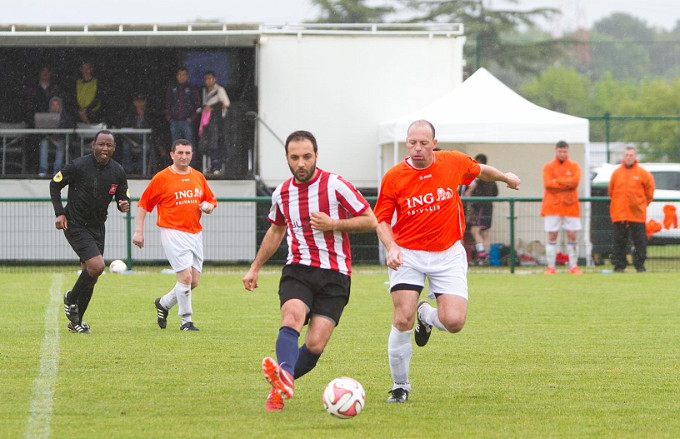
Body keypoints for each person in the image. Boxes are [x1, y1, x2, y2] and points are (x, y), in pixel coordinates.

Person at [374, 120, 520, 403]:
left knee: (454, 322)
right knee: (402, 316)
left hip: (448, 253)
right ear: (407, 142)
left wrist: (505, 177)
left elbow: (481, 171)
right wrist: (391, 246)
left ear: (434, 143)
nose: (417, 148)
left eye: (423, 143)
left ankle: (425, 315)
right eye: (412, 142)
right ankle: (400, 385)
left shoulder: (452, 162)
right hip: (409, 254)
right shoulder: (394, 176)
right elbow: (380, 219)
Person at [242, 130, 377, 411]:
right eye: (294, 158)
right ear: (287, 159)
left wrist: (334, 224)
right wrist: (255, 267)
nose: (301, 163)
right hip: (298, 269)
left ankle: (281, 384)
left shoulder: (335, 185)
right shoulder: (282, 193)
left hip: (335, 275)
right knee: (291, 316)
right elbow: (276, 229)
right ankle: (286, 378)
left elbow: (370, 220)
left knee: (315, 344)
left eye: (306, 156)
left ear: (316, 155)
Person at [50, 130, 130, 333]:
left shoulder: (118, 171)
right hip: (75, 224)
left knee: (91, 277)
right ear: (93, 145)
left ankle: (76, 322)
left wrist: (123, 204)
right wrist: (59, 213)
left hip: (97, 226)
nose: (105, 148)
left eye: (109, 145)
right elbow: (54, 184)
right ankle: (70, 297)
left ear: (114, 148)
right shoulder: (78, 166)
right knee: (97, 266)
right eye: (101, 144)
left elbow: (122, 197)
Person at [132, 139, 216, 331]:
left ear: (192, 154)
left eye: (187, 153)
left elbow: (210, 200)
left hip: (195, 233)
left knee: (193, 281)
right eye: (180, 152)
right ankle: (186, 321)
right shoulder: (162, 178)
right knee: (185, 277)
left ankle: (164, 303)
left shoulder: (198, 177)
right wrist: (139, 231)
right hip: (173, 232)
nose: (184, 156)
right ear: (172, 155)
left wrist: (209, 207)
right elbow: (144, 205)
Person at [609, 145, 655, 273]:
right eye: (626, 155)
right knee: (619, 241)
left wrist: (640, 205)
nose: (628, 157)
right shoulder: (616, 174)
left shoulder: (643, 174)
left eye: (631, 155)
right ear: (623, 157)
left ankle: (640, 266)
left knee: (640, 241)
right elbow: (611, 191)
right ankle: (619, 266)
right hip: (619, 214)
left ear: (635, 157)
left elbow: (649, 193)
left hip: (637, 214)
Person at [541, 140, 583, 274]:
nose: (562, 154)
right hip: (552, 206)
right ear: (556, 151)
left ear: (568, 151)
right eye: (560, 151)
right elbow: (548, 184)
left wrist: (557, 181)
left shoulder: (574, 166)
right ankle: (551, 267)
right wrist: (566, 183)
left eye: (565, 151)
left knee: (572, 235)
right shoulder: (548, 166)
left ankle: (573, 266)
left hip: (570, 206)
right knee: (552, 235)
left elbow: (575, 182)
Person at [463, 153, 498, 264]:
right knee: (485, 233)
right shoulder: (492, 177)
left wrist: (470, 191)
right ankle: (487, 257)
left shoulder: (479, 179)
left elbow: (467, 194)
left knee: (475, 231)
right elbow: (496, 193)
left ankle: (482, 255)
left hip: (481, 208)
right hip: (489, 207)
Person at [198, 71, 230, 174]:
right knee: (209, 144)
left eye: (210, 78)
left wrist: (214, 109)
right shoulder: (205, 92)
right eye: (206, 79)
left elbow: (226, 104)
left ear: (214, 79)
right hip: (208, 122)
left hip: (217, 122)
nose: (208, 81)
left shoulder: (219, 90)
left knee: (216, 144)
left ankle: (217, 167)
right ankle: (212, 165)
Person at [38, 96, 74, 177]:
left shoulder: (65, 116)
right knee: (43, 143)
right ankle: (43, 170)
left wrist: (59, 135)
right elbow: (41, 130)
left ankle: (57, 170)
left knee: (61, 144)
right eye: (53, 105)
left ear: (60, 106)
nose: (55, 107)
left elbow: (68, 129)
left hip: (61, 140)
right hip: (48, 139)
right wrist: (50, 136)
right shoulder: (45, 116)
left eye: (57, 104)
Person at [164, 67, 199, 147]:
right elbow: (167, 103)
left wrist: (192, 118)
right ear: (177, 76)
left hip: (187, 121)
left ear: (187, 76)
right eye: (180, 74)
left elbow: (197, 105)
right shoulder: (172, 88)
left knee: (189, 144)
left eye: (184, 75)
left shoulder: (191, 88)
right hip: (174, 121)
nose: (182, 77)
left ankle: (191, 160)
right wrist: (169, 117)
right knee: (175, 144)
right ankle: (176, 160)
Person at [119, 93, 151, 174]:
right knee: (125, 146)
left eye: (141, 101)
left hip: (144, 140)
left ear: (145, 102)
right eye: (137, 101)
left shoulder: (149, 114)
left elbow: (152, 128)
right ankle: (128, 170)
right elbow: (125, 127)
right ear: (134, 103)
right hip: (131, 140)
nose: (139, 104)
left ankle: (140, 170)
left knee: (146, 148)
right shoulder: (130, 113)